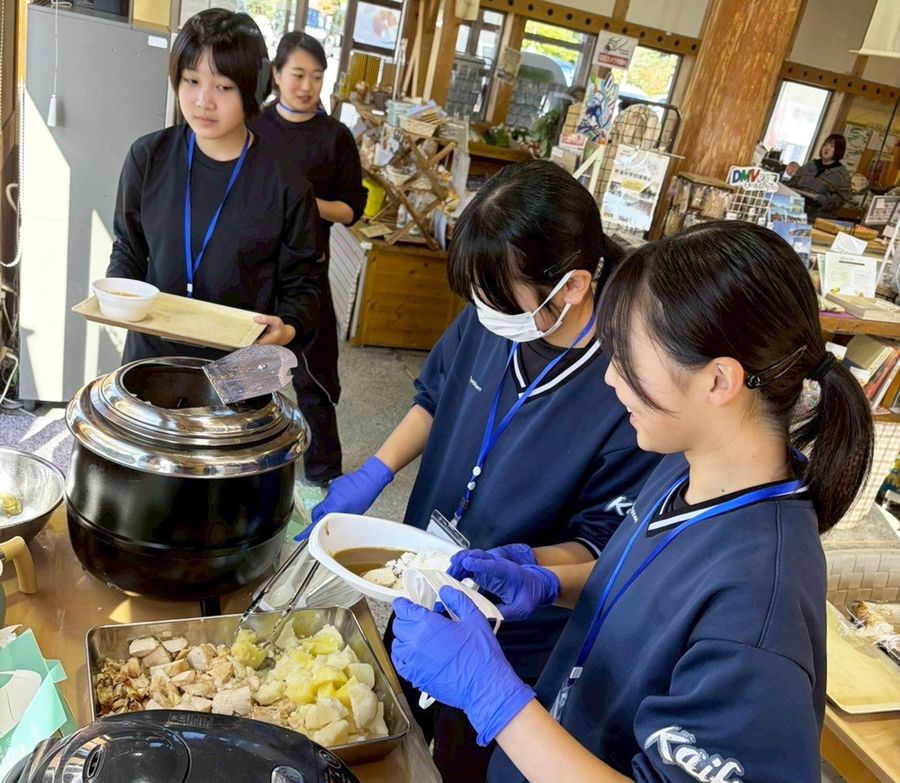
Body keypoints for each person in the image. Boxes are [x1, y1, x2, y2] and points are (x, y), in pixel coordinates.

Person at [390, 221, 875, 783]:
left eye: (629, 360)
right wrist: (553, 581)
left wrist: (493, 696)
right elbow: (658, 593)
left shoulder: (760, 607)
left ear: (718, 380)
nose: (611, 379)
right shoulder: (685, 466)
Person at [312, 160, 661, 781]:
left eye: (497, 300)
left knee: (459, 760)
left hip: (510, 639)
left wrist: (522, 573)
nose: (482, 311)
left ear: (574, 287)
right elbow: (434, 397)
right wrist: (375, 471)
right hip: (420, 575)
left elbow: (597, 546)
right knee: (388, 731)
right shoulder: (496, 307)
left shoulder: (630, 387)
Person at [107, 10, 321, 372]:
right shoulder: (147, 157)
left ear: (253, 90)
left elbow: (304, 287)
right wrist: (118, 296)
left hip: (238, 371)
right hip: (149, 359)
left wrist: (286, 327)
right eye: (191, 80)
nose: (203, 100)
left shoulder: (287, 185)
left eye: (223, 87)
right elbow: (128, 247)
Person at [252, 32, 367, 484]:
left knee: (314, 382)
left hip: (309, 272)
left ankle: (323, 476)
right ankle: (251, 466)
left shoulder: (335, 137)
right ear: (277, 75)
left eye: (317, 77)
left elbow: (352, 209)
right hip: (255, 272)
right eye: (298, 75)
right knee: (249, 375)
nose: (307, 86)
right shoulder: (254, 127)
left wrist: (302, 201)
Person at [786, 134, 851, 219]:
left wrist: (823, 199)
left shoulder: (842, 174)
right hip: (795, 209)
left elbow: (842, 199)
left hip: (819, 216)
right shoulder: (810, 165)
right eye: (825, 144)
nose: (827, 148)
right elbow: (792, 183)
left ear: (839, 150)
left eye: (832, 146)